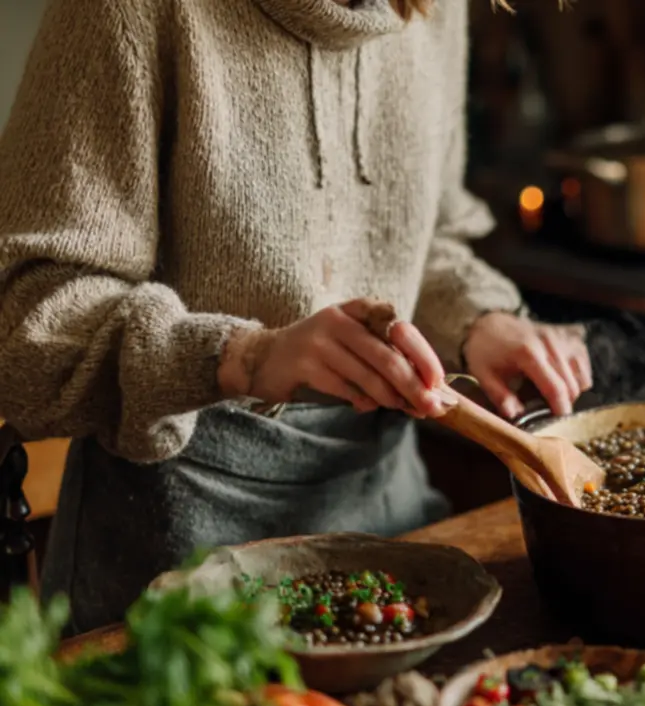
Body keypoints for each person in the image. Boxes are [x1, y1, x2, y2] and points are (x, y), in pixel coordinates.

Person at [0, 0, 591, 632]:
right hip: (174, 560)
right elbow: (26, 323)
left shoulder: (433, 9)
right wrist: (241, 356)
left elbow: (423, 239)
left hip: (391, 524)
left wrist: (476, 318)